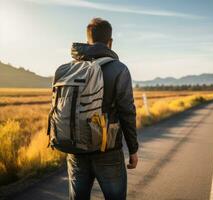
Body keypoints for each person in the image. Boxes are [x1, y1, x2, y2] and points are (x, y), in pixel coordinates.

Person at [67, 18, 139, 200]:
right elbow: (127, 111)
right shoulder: (119, 69)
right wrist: (133, 149)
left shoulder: (71, 68)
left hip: (76, 148)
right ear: (110, 42)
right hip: (107, 149)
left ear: (88, 39)